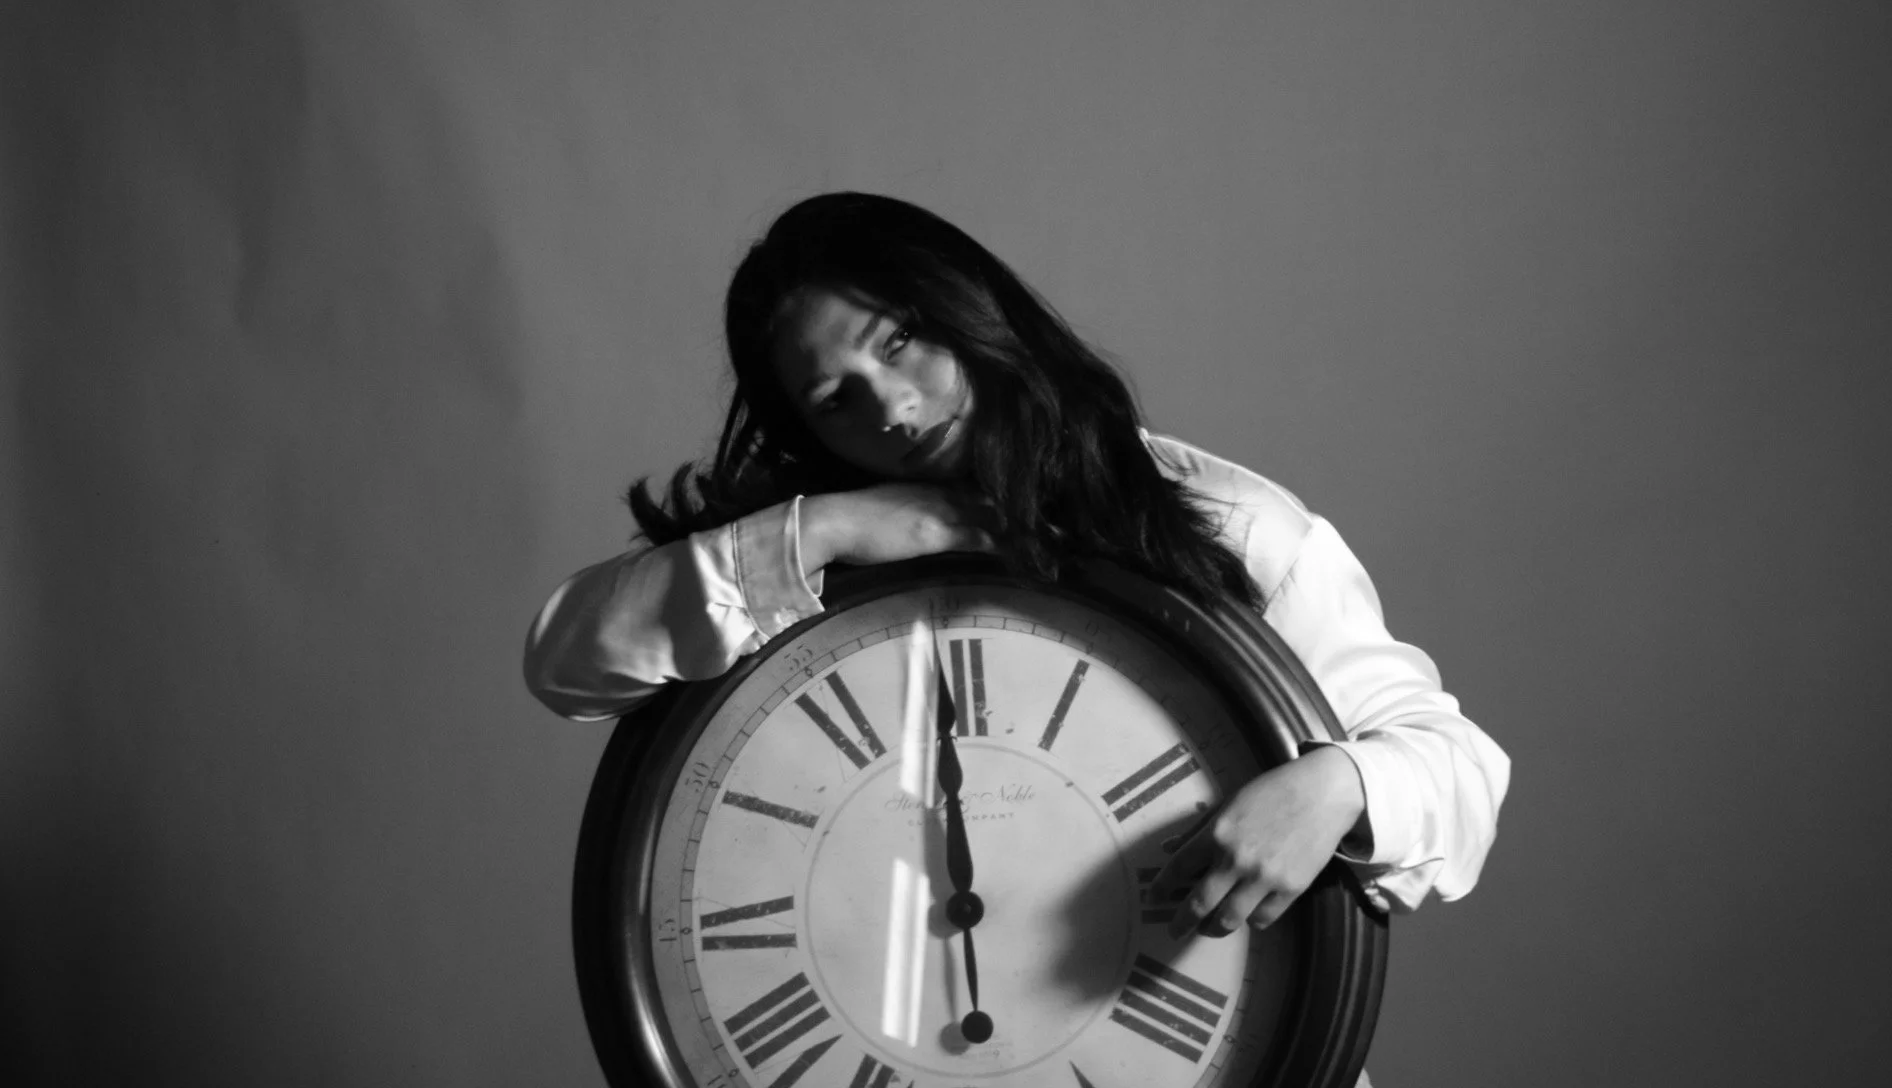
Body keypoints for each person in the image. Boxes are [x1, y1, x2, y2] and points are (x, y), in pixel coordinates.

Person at [525, 191, 1508, 938]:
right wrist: (825, 530)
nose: (894, 408)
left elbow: (1458, 766)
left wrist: (1336, 781)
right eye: (837, 397)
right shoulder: (805, 566)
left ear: (968, 303)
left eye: (900, 341)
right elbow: (565, 660)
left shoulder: (1224, 523)